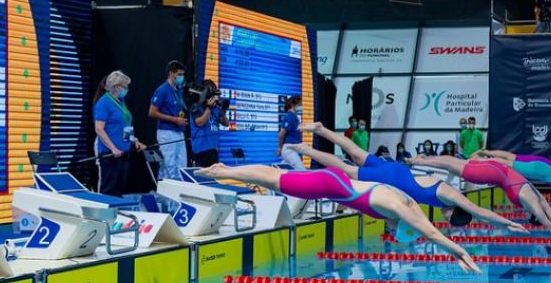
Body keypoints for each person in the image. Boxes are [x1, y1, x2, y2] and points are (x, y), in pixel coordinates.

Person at [197, 163, 480, 273]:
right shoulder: (398, 209)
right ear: (402, 224)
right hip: (331, 186)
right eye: (395, 231)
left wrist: (453, 250)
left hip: (336, 181)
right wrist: (459, 252)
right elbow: (431, 233)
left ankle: (226, 170)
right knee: (273, 180)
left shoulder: (410, 205)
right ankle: (223, 172)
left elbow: (428, 227)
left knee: (275, 177)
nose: (390, 229)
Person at [290, 123, 528, 234]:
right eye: (449, 219)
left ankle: (321, 130)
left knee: (356, 152)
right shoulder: (450, 198)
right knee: (348, 170)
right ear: (452, 213)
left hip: (398, 173)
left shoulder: (446, 199)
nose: (445, 218)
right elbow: (479, 212)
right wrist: (508, 223)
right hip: (395, 179)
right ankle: (307, 150)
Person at [411, 154, 551, 252]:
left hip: (495, 168)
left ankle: (422, 159)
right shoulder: (531, 203)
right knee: (451, 165)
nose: (524, 214)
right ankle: (419, 161)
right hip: (489, 173)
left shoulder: (539, 197)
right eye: (528, 217)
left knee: (452, 163)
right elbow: (548, 222)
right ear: (532, 215)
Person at [93, 71, 147, 196]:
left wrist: (135, 141)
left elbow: (126, 125)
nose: (127, 89)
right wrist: (113, 149)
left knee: (119, 188)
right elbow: (99, 129)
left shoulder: (121, 102)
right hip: (110, 154)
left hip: (124, 152)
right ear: (116, 87)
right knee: (109, 189)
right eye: (125, 87)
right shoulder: (104, 102)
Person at [148, 60, 188, 180]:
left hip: (179, 132)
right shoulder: (162, 90)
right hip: (167, 133)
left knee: (182, 166)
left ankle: (178, 196)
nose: (182, 77)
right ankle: (165, 198)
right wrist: (174, 120)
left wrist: (179, 120)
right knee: (168, 167)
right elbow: (152, 112)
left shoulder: (178, 90)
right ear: (171, 73)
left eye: (183, 74)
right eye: (179, 74)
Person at [190, 79, 229, 167]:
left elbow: (226, 123)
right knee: (200, 179)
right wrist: (208, 108)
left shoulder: (215, 108)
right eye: (210, 91)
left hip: (213, 150)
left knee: (212, 179)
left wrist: (222, 111)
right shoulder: (196, 106)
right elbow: (199, 123)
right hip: (200, 151)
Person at [276, 96, 305, 169]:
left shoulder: (295, 117)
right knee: (301, 171)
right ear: (292, 105)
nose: (301, 106)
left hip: (292, 150)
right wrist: (280, 148)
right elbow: (281, 135)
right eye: (299, 104)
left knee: (281, 171)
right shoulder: (290, 117)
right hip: (289, 150)